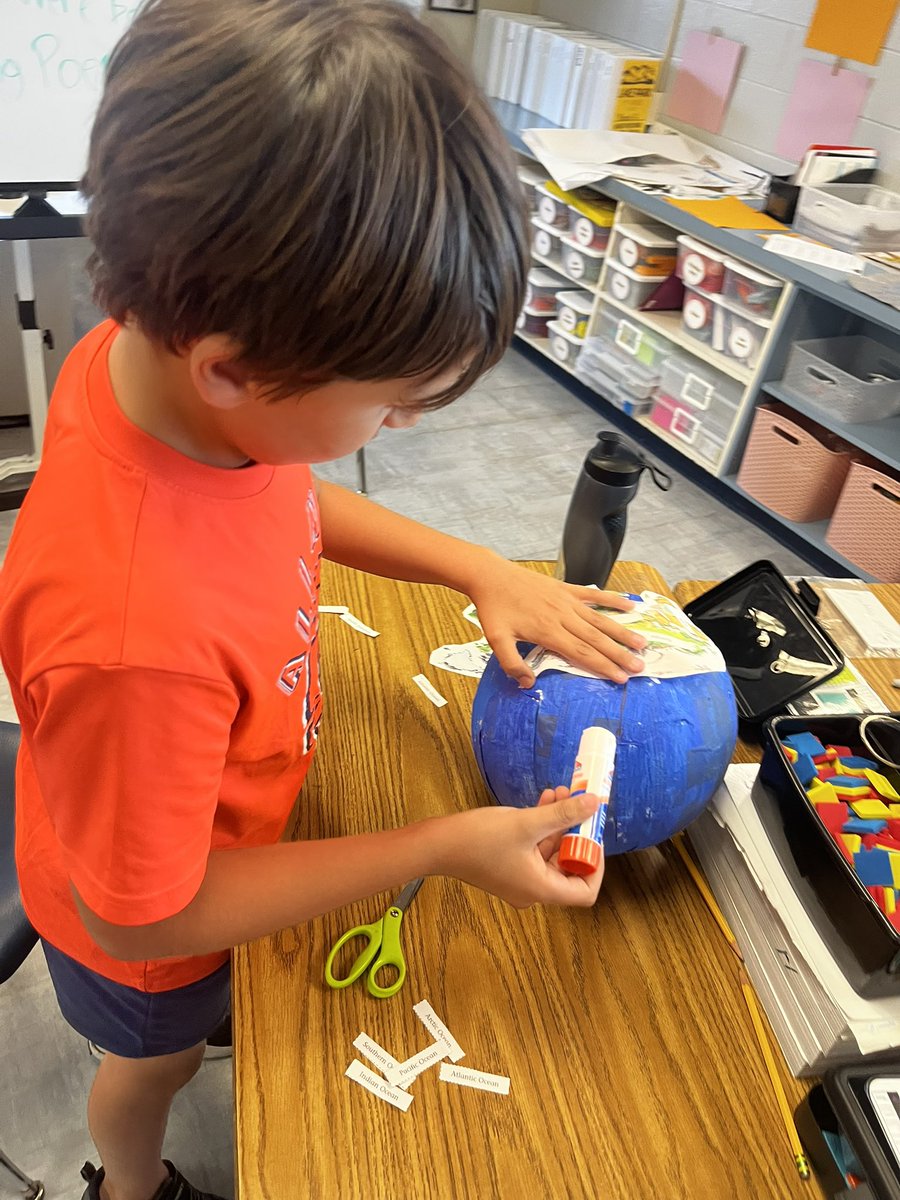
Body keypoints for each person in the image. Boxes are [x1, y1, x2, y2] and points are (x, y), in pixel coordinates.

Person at [0, 3, 647, 1199]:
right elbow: (145, 915)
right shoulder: (133, 639)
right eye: (395, 408)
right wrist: (445, 848)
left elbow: (282, 498)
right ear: (233, 368)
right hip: (141, 932)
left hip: (197, 812)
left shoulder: (152, 371)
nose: (401, 430)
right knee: (160, 1062)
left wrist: (477, 566)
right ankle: (128, 1185)